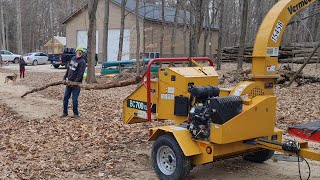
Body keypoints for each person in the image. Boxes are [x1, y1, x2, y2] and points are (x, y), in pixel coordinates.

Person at [61, 47, 86, 118]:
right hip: (69, 82)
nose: (79, 52)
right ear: (76, 51)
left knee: (74, 99)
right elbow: (69, 69)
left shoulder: (82, 62)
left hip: (76, 84)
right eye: (78, 51)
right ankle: (65, 112)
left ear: (82, 53)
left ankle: (76, 114)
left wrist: (75, 82)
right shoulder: (73, 59)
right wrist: (64, 77)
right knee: (65, 98)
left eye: (81, 52)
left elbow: (80, 74)